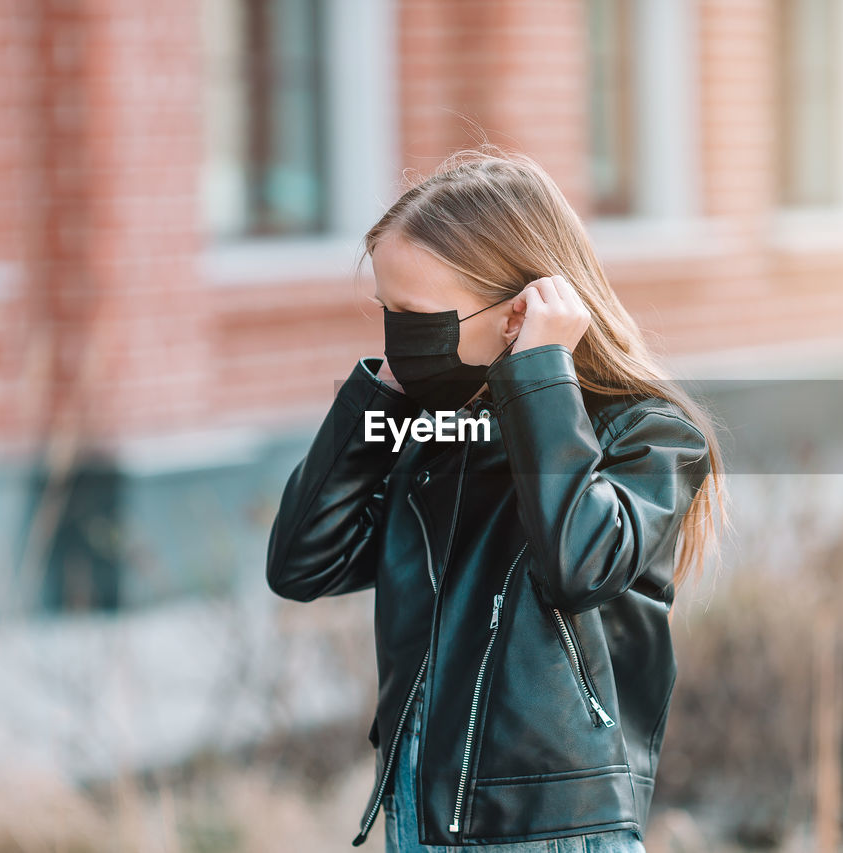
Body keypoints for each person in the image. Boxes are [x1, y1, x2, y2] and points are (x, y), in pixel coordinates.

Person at [266, 145, 729, 851]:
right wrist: (379, 393)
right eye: (387, 312)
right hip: (418, 817)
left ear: (520, 313)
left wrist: (541, 372)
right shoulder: (434, 435)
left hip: (552, 831)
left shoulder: (652, 435)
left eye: (417, 316)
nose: (400, 337)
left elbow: (579, 564)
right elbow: (302, 562)